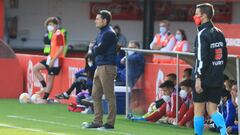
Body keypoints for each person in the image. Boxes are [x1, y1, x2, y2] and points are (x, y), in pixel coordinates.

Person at [192, 3, 228, 135]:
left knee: (199, 109)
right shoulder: (220, 33)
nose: (195, 16)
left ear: (204, 15)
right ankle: (224, 133)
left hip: (203, 78)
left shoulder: (202, 34)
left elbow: (201, 58)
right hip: (217, 77)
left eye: (197, 14)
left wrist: (198, 77)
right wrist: (218, 71)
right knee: (213, 109)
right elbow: (224, 57)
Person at [85, 10, 117, 129]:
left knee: (109, 96)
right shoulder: (102, 32)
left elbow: (99, 49)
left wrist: (92, 48)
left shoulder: (109, 33)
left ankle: (109, 123)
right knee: (95, 95)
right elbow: (95, 48)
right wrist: (94, 48)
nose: (95, 21)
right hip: (100, 66)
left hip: (107, 66)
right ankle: (97, 121)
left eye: (98, 19)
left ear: (105, 21)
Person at [33, 17, 65, 101]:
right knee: (35, 68)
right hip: (50, 57)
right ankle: (44, 87)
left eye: (50, 24)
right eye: (48, 25)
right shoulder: (53, 34)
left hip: (56, 60)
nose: (49, 27)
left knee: (50, 78)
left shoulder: (58, 34)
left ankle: (44, 99)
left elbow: (61, 48)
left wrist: (53, 60)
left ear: (55, 25)